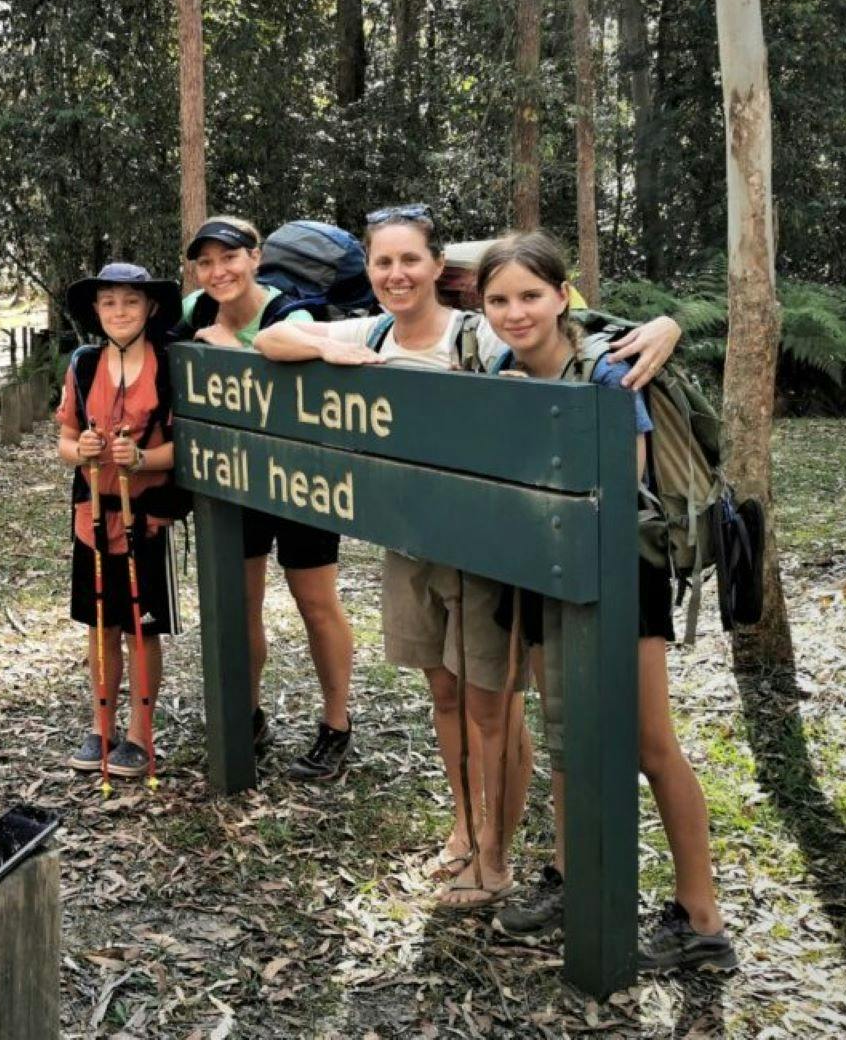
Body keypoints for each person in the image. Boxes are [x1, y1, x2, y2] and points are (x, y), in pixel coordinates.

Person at [252, 204, 685, 908]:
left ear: (435, 265)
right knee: (444, 695)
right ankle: (463, 828)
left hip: (486, 551)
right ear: (369, 270)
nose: (397, 274)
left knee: (494, 709)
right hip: (410, 541)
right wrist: (329, 349)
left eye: (410, 259)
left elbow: (572, 324)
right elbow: (272, 338)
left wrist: (668, 325)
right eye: (383, 262)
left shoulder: (480, 330)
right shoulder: (372, 329)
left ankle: (497, 853)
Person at [474, 231, 736, 972]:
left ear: (563, 297)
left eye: (531, 296)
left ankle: (702, 916)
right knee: (565, 735)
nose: (516, 312)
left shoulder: (607, 368)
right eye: (500, 299)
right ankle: (570, 874)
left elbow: (620, 480)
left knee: (650, 742)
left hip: (622, 572)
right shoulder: (496, 366)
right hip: (539, 567)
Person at [175, 216, 359, 781]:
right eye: (205, 262)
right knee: (241, 602)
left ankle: (336, 724)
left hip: (300, 477)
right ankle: (247, 713)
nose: (217, 271)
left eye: (228, 257)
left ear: (256, 258)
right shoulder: (195, 310)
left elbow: (300, 370)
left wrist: (234, 349)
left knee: (316, 603)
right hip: (234, 478)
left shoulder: (290, 314)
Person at [55, 263, 181, 779]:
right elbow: (63, 439)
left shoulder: (170, 365)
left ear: (150, 307)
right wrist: (77, 449)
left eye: (131, 301)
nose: (120, 311)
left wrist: (143, 461)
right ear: (96, 310)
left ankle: (140, 735)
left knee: (140, 628)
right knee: (100, 625)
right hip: (93, 516)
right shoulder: (84, 365)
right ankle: (100, 727)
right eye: (109, 302)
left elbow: (187, 448)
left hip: (146, 519)